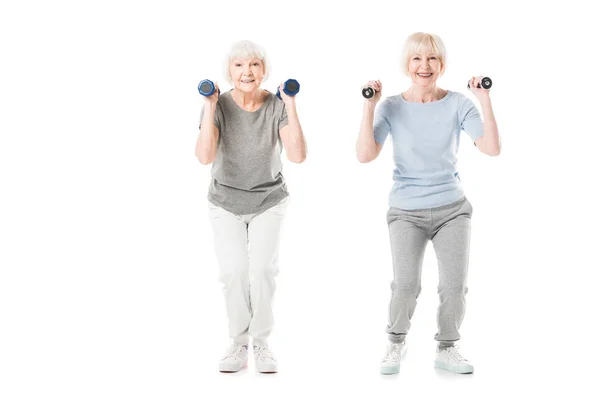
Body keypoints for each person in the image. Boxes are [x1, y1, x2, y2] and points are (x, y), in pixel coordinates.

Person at [357, 32, 501, 375]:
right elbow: (365, 155)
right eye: (417, 59)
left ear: (442, 64)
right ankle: (395, 342)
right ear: (407, 65)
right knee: (407, 285)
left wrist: (484, 98)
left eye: (432, 59)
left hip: (452, 209)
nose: (425, 66)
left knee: (454, 286)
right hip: (406, 211)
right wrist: (369, 106)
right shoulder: (391, 106)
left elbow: (492, 148)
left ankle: (447, 347)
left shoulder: (458, 104)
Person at [195, 40, 307, 373]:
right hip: (226, 201)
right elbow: (204, 157)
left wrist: (291, 103)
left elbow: (298, 155)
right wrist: (209, 106)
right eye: (240, 65)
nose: (248, 72)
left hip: (268, 200)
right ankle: (238, 342)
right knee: (234, 272)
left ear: (264, 70)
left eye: (255, 64)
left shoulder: (276, 105)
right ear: (229, 72)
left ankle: (261, 343)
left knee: (261, 272)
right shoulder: (218, 105)